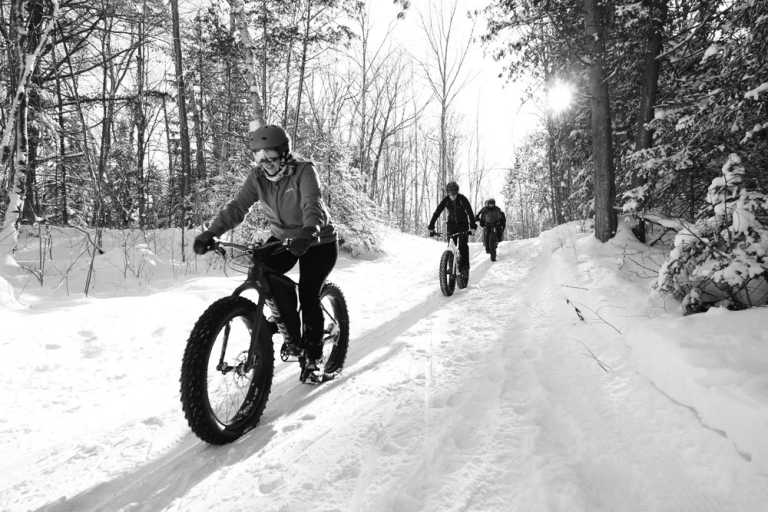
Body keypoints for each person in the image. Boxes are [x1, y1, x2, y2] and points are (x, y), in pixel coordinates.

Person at [193, 125, 337, 368]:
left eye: (271, 156)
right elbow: (238, 207)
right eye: (259, 157)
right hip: (283, 238)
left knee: (309, 292)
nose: (266, 163)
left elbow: (313, 205)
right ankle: (286, 323)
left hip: (317, 239)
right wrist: (211, 232)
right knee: (262, 270)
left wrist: (309, 231)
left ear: (284, 154)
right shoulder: (258, 178)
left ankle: (313, 356)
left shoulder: (303, 171)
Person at [427, 181, 477, 274]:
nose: (453, 196)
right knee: (451, 245)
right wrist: (431, 226)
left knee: (463, 245)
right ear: (448, 193)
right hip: (451, 225)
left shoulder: (462, 199)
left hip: (463, 225)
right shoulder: (446, 200)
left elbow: (470, 212)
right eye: (451, 194)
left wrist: (473, 227)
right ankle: (451, 267)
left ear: (457, 192)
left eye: (454, 194)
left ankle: (465, 267)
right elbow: (437, 212)